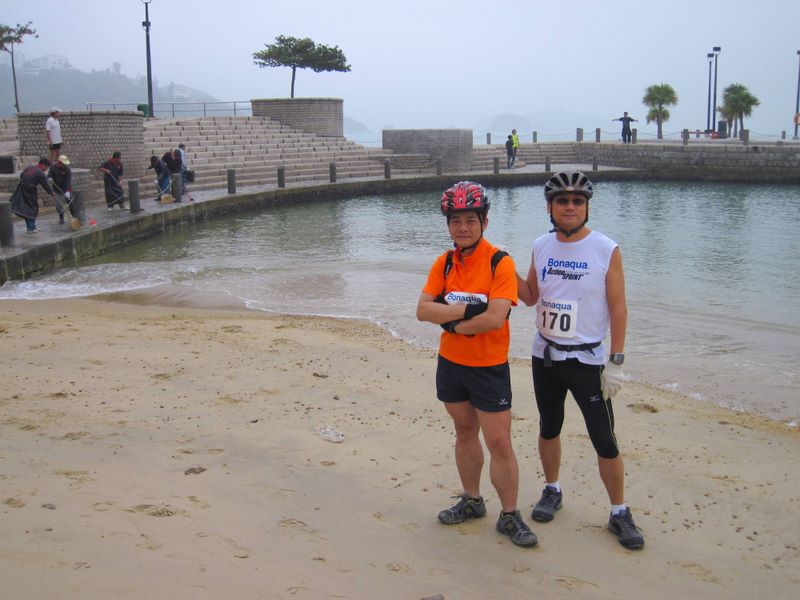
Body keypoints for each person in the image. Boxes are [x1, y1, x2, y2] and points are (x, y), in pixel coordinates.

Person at [516, 171, 644, 550]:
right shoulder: (541, 245)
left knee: (604, 438)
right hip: (545, 356)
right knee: (549, 427)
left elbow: (618, 308)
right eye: (562, 200)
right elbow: (529, 295)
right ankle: (552, 489)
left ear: (586, 207)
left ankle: (619, 511)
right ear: (550, 207)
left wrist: (616, 361)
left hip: (587, 361)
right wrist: (501, 266)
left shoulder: (606, 249)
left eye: (577, 201)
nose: (569, 206)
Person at [417, 181, 537, 549]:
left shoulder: (500, 261)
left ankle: (510, 514)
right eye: (456, 221)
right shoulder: (444, 262)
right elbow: (423, 310)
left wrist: (451, 321)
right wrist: (469, 311)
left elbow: (496, 318)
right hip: (451, 364)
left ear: (484, 221)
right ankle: (472, 500)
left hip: (488, 367)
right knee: (465, 432)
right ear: (448, 225)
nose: (463, 227)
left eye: (470, 220)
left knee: (499, 442)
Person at [10, 158, 54, 234]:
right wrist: (52, 193)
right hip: (29, 191)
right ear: (43, 165)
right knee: (32, 209)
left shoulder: (29, 168)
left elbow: (21, 176)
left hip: (22, 188)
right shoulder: (40, 173)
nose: (46, 169)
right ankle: (30, 228)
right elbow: (46, 185)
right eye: (46, 167)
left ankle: (32, 226)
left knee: (27, 208)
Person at [47, 154, 73, 225]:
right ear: (59, 162)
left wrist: (67, 191)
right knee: (59, 205)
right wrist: (49, 178)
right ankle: (61, 218)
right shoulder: (53, 167)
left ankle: (73, 216)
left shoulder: (67, 169)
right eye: (63, 164)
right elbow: (49, 175)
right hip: (57, 189)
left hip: (66, 189)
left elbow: (68, 181)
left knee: (70, 203)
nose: (65, 165)